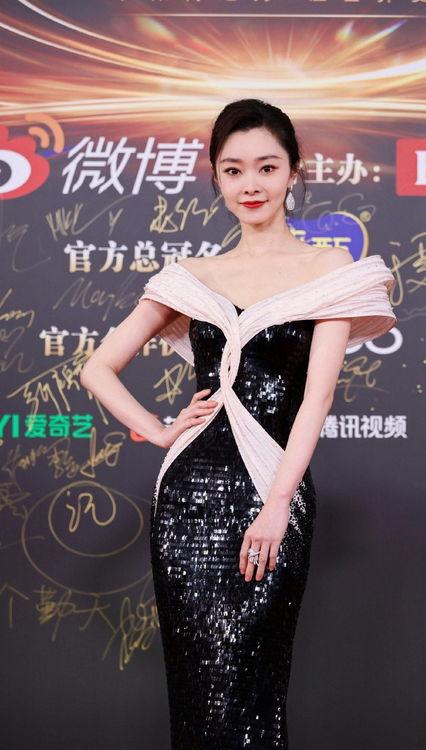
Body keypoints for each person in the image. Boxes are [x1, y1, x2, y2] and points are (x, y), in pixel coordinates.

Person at [80, 98, 396, 749]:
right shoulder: (192, 277)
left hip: (273, 493)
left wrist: (278, 505)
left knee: (256, 684)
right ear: (217, 177)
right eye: (233, 170)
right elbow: (97, 368)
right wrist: (161, 429)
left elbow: (315, 401)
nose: (250, 184)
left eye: (266, 167)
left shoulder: (330, 271)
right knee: (197, 684)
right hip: (187, 501)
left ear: (293, 172)